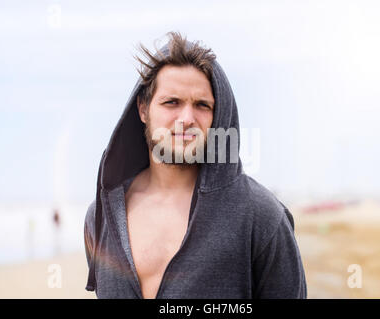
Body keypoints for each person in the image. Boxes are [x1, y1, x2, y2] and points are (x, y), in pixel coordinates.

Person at [84, 31, 307, 299]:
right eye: (172, 102)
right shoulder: (101, 218)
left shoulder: (261, 218)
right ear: (143, 109)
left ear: (218, 115)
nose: (187, 118)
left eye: (202, 105)